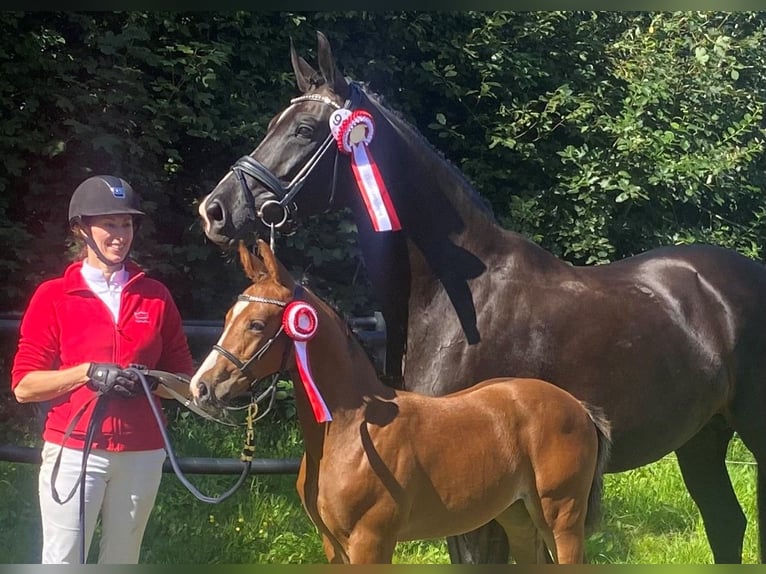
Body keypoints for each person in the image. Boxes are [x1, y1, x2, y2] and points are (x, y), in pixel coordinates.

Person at [11, 175, 195, 564]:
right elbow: (24, 386)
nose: (120, 234)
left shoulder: (156, 296)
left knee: (122, 560)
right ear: (82, 229)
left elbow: (184, 383)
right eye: (109, 223)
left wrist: (148, 381)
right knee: (64, 560)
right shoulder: (53, 296)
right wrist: (87, 373)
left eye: (126, 224)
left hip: (142, 452)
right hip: (76, 449)